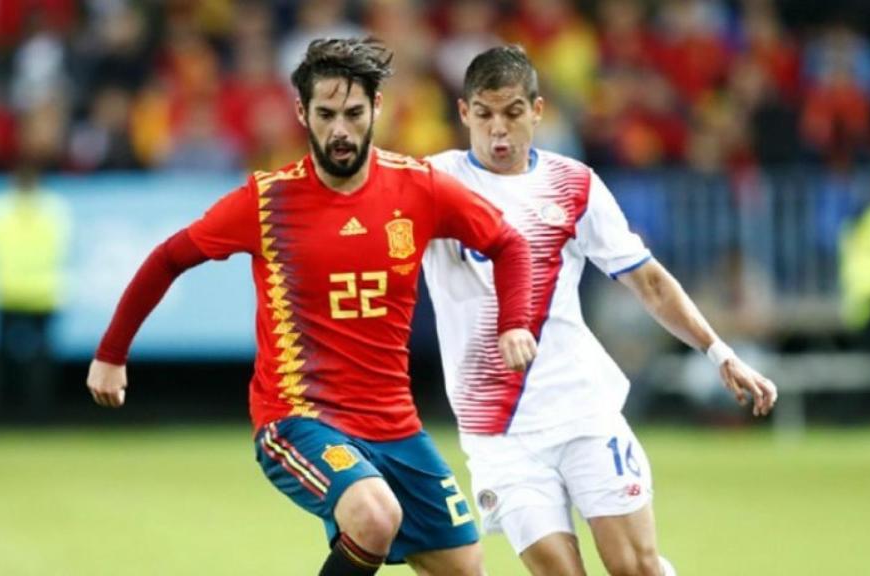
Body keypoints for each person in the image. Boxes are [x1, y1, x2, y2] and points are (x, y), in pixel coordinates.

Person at [86, 38, 538, 576]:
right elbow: (169, 258)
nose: (340, 130)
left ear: (377, 108)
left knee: (466, 568)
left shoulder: (419, 188)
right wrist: (112, 353)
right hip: (299, 417)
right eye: (325, 114)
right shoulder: (268, 201)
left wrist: (514, 323)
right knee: (375, 514)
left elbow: (509, 243)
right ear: (302, 113)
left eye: (353, 113)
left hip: (395, 425)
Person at [422, 46, 778, 576]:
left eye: (513, 113)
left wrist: (719, 351)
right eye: (485, 113)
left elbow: (649, 282)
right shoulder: (432, 182)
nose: (499, 130)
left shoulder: (575, 184)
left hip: (581, 409)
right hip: (497, 432)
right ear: (464, 113)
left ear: (538, 111)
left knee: (635, 567)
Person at [0, 161, 71, 423]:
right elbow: (63, 247)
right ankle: (40, 417)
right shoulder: (54, 209)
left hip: (6, 290)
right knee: (42, 361)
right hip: (44, 292)